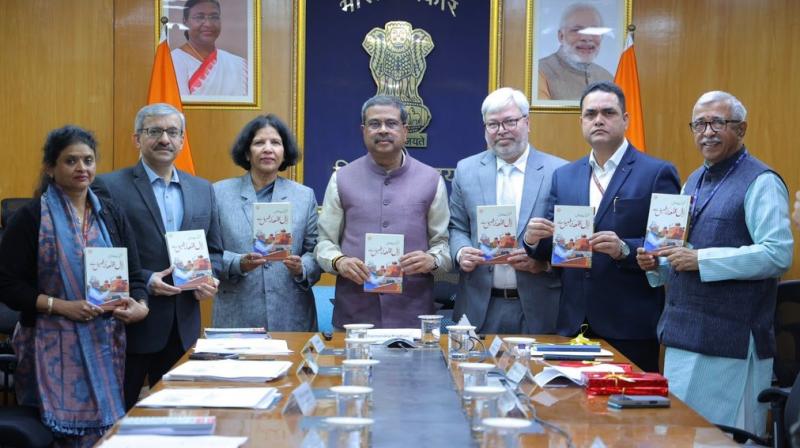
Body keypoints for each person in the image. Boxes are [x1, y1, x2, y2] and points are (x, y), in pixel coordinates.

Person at [637, 91, 793, 435]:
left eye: (717, 123)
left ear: (741, 129)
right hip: (681, 335)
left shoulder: (762, 181)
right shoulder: (693, 180)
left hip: (729, 343)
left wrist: (700, 259)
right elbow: (681, 254)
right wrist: (656, 265)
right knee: (678, 435)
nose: (707, 132)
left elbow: (777, 254)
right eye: (699, 124)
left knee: (719, 438)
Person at [0, 126, 149, 445]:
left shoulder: (111, 214)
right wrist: (60, 306)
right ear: (50, 168)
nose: (82, 168)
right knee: (55, 439)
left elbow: (135, 276)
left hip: (105, 345)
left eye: (88, 160)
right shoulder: (30, 217)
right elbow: (7, 284)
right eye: (71, 161)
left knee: (106, 436)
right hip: (48, 345)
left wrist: (140, 305)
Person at [524, 81, 680, 372]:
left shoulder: (657, 172)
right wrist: (533, 241)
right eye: (590, 114)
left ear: (626, 119)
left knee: (627, 402)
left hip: (630, 326)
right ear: (581, 122)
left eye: (608, 112)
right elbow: (549, 249)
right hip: (573, 323)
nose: (598, 120)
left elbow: (668, 249)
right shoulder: (564, 176)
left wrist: (624, 249)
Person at [94, 103, 222, 410]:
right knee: (119, 415)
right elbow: (101, 253)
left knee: (177, 416)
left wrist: (210, 278)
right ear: (137, 139)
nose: (165, 139)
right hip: (131, 323)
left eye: (172, 132)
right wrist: (146, 279)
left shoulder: (203, 189)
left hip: (183, 327)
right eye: (154, 131)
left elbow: (214, 251)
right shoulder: (109, 186)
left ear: (182, 140)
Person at [315, 95, 452, 328]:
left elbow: (443, 245)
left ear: (405, 131)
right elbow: (324, 242)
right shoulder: (341, 178)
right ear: (363, 131)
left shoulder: (431, 179)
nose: (383, 130)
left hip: (413, 316)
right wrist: (339, 261)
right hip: (354, 317)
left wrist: (433, 260)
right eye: (374, 124)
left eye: (391, 123)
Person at [449, 87, 566, 334]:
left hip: (540, 307)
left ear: (527, 122)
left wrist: (544, 263)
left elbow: (570, 238)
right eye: (493, 124)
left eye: (510, 122)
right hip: (478, 306)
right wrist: (461, 252)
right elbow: (456, 227)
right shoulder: (466, 170)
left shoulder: (559, 172)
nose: (501, 130)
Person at [213, 114, 321, 330]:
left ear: (285, 152)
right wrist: (238, 263)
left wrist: (302, 267)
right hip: (238, 314)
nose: (268, 149)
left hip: (291, 314)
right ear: (247, 152)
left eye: (276, 143)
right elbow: (208, 252)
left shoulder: (304, 196)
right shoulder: (218, 193)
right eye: (259, 143)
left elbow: (316, 251)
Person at [171, 0, 248, 97]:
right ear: (185, 21)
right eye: (199, 17)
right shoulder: (173, 60)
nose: (208, 24)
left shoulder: (238, 65)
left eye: (214, 17)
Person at [538, 3, 613, 101]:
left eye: (594, 30)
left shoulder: (607, 78)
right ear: (561, 36)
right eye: (576, 30)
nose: (587, 38)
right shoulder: (540, 71)